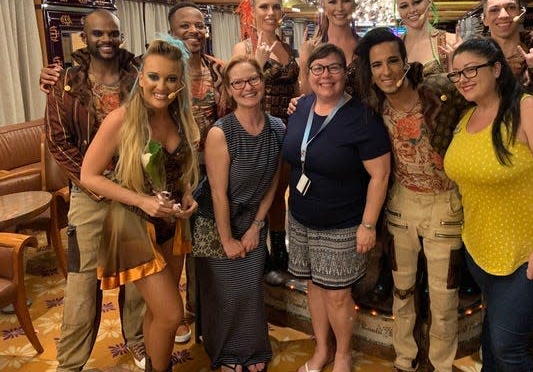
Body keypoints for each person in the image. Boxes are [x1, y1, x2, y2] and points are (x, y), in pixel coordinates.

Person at [443, 37, 533, 371]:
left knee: (508, 345)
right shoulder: (466, 119)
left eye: (471, 69)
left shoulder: (528, 109)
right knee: (492, 337)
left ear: (496, 68)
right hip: (485, 252)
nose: (463, 78)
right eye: (456, 74)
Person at [80, 37, 199, 372]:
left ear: (181, 83)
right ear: (141, 77)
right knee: (172, 314)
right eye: (154, 77)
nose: (162, 87)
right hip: (133, 224)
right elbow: (89, 175)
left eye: (171, 79)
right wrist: (143, 202)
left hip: (173, 222)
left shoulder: (180, 117)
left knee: (156, 312)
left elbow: (182, 171)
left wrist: (188, 194)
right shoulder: (121, 119)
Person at [356, 27, 467, 372]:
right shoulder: (372, 106)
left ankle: (441, 365)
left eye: (392, 61)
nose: (386, 71)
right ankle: (405, 359)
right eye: (377, 65)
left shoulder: (442, 94)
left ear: (405, 62)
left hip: (445, 204)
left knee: (445, 297)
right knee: (402, 292)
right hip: (401, 205)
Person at [44, 9, 147, 371]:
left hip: (135, 191)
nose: (107, 40)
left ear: (121, 36)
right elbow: (57, 140)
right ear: (84, 38)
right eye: (99, 34)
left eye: (113, 34)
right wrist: (93, 180)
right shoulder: (66, 83)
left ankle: (137, 342)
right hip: (89, 198)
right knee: (82, 285)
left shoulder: (137, 77)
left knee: (136, 278)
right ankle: (71, 363)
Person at [282, 43, 391, 372]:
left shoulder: (362, 117)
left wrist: (368, 225)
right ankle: (322, 349)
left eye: (334, 68)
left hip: (342, 223)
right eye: (318, 68)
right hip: (300, 218)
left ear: (346, 74)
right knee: (313, 286)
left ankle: (343, 354)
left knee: (338, 295)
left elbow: (381, 175)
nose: (325, 75)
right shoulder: (300, 107)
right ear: (309, 74)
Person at [192, 55, 284, 372]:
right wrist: (227, 238)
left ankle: (252, 348)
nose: (247, 87)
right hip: (213, 222)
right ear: (229, 90)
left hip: (251, 220)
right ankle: (226, 353)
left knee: (249, 289)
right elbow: (217, 193)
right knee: (225, 292)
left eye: (253, 79)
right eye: (238, 83)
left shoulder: (277, 128)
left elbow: (273, 180)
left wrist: (257, 225)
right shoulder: (221, 133)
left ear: (263, 81)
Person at [233, 0, 299, 284]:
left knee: (283, 192)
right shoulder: (243, 47)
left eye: (275, 6)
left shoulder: (286, 47)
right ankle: (262, 253)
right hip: (259, 130)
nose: (270, 12)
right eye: (264, 6)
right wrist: (257, 62)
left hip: (289, 131)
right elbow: (239, 90)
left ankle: (281, 253)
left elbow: (296, 88)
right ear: (252, 11)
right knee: (264, 194)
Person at [167, 1, 225, 343]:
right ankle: (172, 315)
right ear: (171, 32)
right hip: (171, 171)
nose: (194, 31)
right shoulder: (160, 71)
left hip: (211, 168)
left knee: (204, 244)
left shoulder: (217, 70)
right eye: (185, 26)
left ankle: (198, 311)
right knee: (174, 247)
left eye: (199, 25)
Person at [299, 0, 360, 95]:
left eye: (346, 1)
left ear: (354, 5)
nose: (340, 8)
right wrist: (305, 61)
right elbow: (306, 96)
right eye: (333, 2)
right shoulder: (313, 48)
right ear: (324, 7)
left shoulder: (366, 47)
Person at [395, 0, 457, 73]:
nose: (412, 10)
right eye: (404, 6)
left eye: (417, 2)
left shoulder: (451, 42)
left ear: (429, 1)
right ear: (398, 10)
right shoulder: (393, 47)